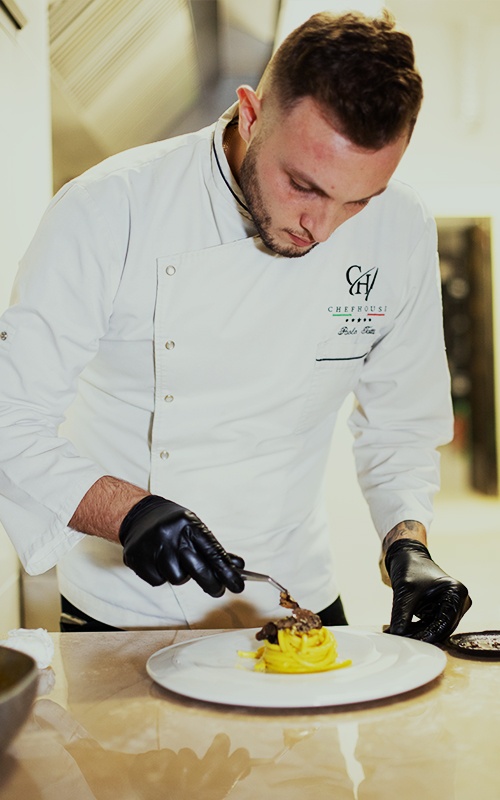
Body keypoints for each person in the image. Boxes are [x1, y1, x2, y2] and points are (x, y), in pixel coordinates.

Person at [0, 10, 471, 639]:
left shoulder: (402, 225)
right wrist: (126, 511)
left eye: (358, 200)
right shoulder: (111, 207)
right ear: (250, 115)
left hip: (297, 593)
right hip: (128, 608)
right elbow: (10, 413)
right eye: (303, 185)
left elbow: (400, 426)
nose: (322, 228)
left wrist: (406, 544)